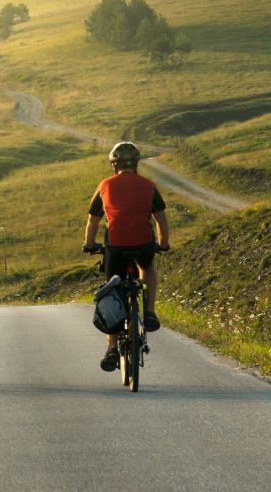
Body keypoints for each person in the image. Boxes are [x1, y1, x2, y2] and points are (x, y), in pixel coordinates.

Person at [83, 142, 169, 372]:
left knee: (113, 291)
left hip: (116, 244)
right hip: (143, 242)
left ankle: (111, 348)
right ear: (136, 163)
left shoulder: (105, 185)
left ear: (114, 165)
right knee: (147, 268)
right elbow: (160, 218)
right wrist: (163, 243)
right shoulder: (148, 185)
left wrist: (89, 244)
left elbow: (93, 219)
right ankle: (149, 311)